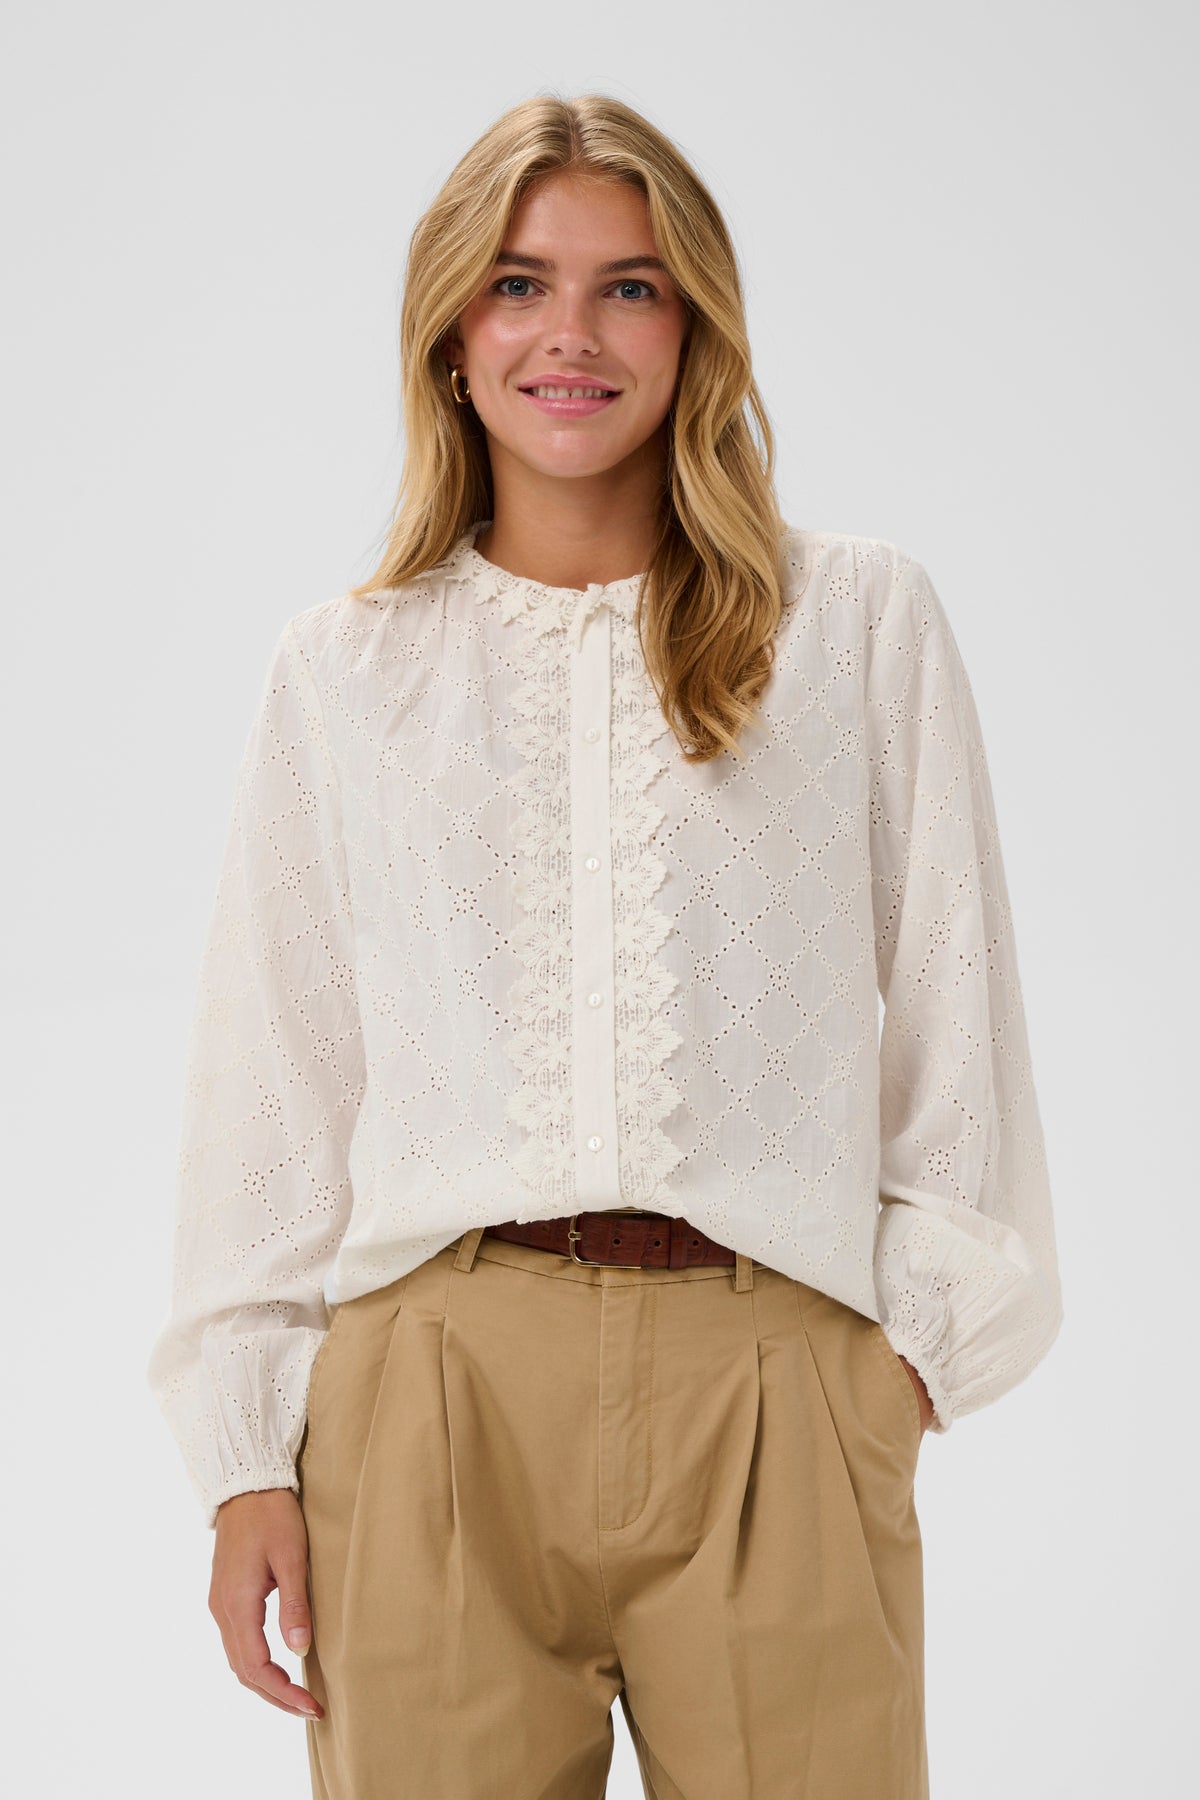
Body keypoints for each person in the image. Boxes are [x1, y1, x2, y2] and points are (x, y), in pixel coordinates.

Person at [146, 92, 1064, 1800]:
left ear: (695, 327)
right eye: (519, 284)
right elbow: (273, 1075)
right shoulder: (346, 671)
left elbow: (960, 1010)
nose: (569, 333)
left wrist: (896, 1369)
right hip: (433, 1400)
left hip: (777, 1383)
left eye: (628, 287)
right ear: (450, 333)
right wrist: (247, 1457)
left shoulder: (854, 623)